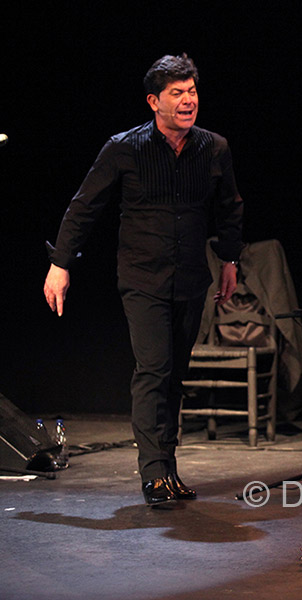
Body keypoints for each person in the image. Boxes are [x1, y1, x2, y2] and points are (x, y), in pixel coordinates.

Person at [42, 53, 244, 507]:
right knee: (153, 370)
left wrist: (230, 260)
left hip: (192, 276)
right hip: (142, 277)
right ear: (155, 101)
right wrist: (60, 263)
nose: (188, 100)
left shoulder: (214, 147)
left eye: (192, 91)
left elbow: (229, 207)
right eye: (177, 93)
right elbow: (84, 205)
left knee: (175, 376)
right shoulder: (124, 147)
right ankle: (153, 474)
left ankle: (169, 470)